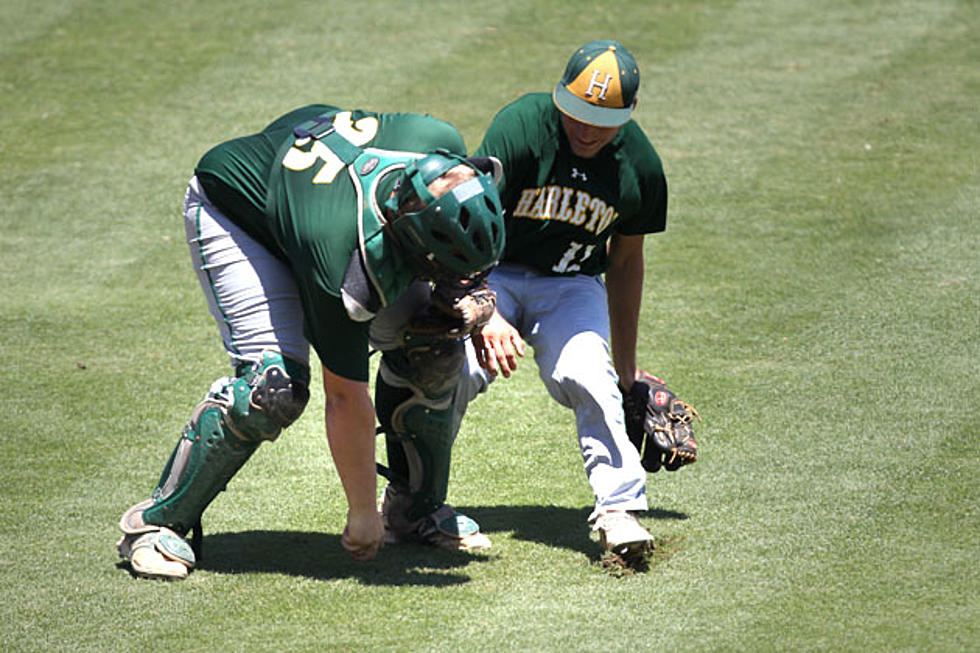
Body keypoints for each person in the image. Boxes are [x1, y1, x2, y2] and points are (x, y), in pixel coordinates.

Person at [116, 103, 505, 580]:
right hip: (242, 217)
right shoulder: (344, 261)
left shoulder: (441, 144)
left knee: (436, 348)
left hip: (308, 200)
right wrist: (361, 510)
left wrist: (472, 300)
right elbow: (344, 396)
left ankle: (413, 510)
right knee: (271, 389)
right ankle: (154, 525)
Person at [453, 40, 670, 557]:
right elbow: (465, 228)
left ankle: (619, 511)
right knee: (453, 369)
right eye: (577, 112)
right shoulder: (522, 129)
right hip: (492, 269)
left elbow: (624, 263)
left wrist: (628, 370)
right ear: (560, 97)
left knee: (591, 377)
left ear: (630, 113)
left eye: (602, 117)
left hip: (571, 285)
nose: (586, 128)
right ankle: (411, 505)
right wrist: (485, 311)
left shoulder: (639, 168)